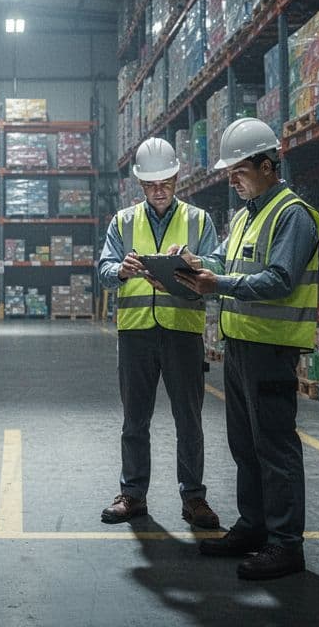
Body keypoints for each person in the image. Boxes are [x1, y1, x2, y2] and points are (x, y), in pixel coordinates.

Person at [173, 118, 319, 581]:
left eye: (238, 171)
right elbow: (227, 262)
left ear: (267, 164)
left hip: (272, 349)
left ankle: (285, 544)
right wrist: (198, 263)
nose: (231, 180)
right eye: (229, 173)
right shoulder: (244, 215)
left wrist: (217, 283)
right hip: (238, 347)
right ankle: (254, 526)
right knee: (245, 446)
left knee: (275, 448)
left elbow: (279, 278)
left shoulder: (293, 214)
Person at [97, 138, 221, 529]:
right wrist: (121, 269)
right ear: (140, 185)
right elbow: (103, 270)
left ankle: (194, 498)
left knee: (189, 419)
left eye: (165, 182)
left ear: (177, 176)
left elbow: (218, 264)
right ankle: (132, 495)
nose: (159, 190)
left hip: (183, 332)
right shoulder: (123, 221)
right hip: (135, 334)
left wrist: (195, 262)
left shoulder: (200, 220)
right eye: (151, 185)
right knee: (135, 419)